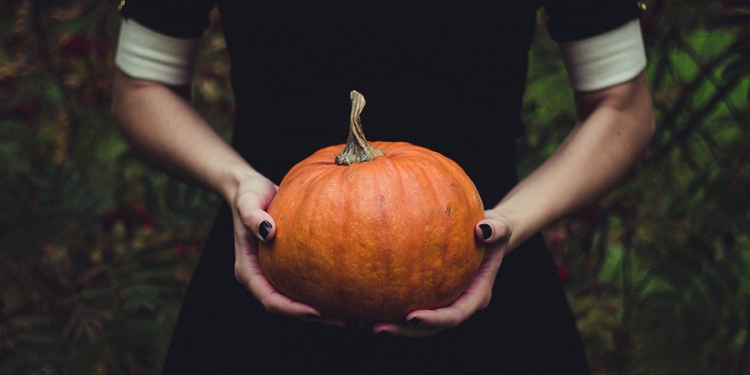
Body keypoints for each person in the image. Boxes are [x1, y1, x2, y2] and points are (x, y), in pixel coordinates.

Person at [111, 1, 655, 374]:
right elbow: (142, 85)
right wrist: (237, 184)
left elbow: (623, 107)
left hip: (483, 264)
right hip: (272, 252)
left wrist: (510, 223)